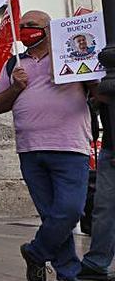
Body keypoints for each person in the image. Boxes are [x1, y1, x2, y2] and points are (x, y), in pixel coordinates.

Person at [0, 10, 95, 281]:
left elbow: (95, 88)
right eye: (22, 26)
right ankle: (67, 274)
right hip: (30, 149)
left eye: (32, 26)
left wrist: (75, 69)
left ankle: (36, 252)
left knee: (70, 210)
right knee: (51, 216)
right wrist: (16, 87)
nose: (25, 30)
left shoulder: (70, 53)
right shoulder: (13, 63)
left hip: (70, 147)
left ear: (50, 29)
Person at [79, 103, 115, 280]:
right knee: (104, 207)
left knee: (105, 207)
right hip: (109, 144)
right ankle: (97, 262)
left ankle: (97, 262)